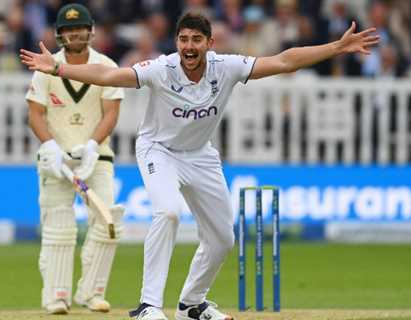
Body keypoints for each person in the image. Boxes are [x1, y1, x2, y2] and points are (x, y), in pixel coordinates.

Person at [21, 12, 379, 320]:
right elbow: (113, 77)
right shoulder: (162, 68)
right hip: (158, 150)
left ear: (209, 42)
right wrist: (59, 67)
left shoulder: (227, 67)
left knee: (223, 238)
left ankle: (191, 304)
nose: (188, 46)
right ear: (177, 41)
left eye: (196, 40)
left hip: (201, 155)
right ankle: (148, 304)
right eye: (183, 39)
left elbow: (284, 61)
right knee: (168, 212)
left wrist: (335, 47)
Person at [24, 3, 125, 315]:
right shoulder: (47, 66)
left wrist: (93, 146)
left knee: (110, 221)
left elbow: (111, 113)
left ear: (90, 31)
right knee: (58, 227)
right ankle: (57, 296)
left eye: (80, 27)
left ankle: (91, 292)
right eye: (68, 29)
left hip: (96, 158)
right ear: (59, 34)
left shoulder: (106, 65)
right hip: (57, 160)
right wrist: (51, 147)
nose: (75, 33)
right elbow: (35, 114)